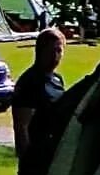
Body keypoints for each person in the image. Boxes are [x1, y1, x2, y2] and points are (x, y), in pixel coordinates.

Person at [11, 27, 66, 159]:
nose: (55, 56)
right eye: (51, 51)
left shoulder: (57, 79)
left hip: (55, 151)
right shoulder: (29, 82)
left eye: (59, 50)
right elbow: (21, 127)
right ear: (40, 51)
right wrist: (27, 161)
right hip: (37, 154)